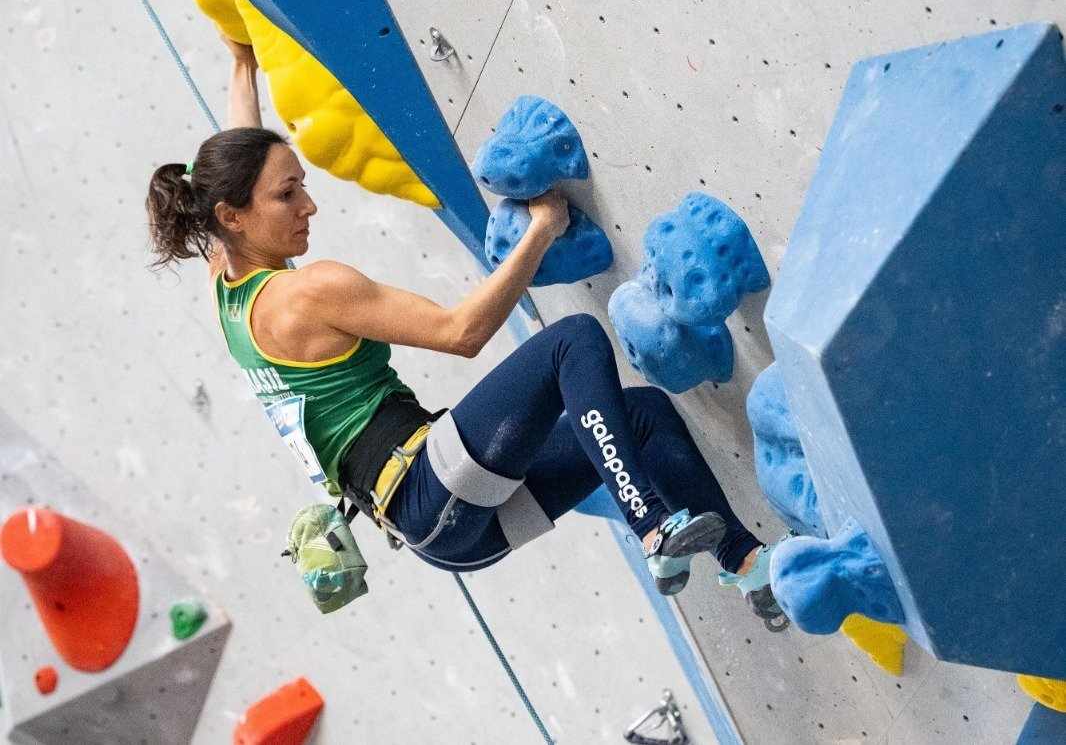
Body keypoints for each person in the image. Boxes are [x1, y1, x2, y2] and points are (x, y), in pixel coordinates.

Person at [144, 35, 787, 629]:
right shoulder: (308, 292)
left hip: (445, 534)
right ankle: (652, 528)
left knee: (640, 415)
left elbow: (234, 159)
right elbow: (462, 332)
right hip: (430, 488)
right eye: (289, 194)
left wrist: (241, 61)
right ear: (235, 214)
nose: (309, 205)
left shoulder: (226, 283)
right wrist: (540, 230)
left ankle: (745, 563)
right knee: (575, 340)